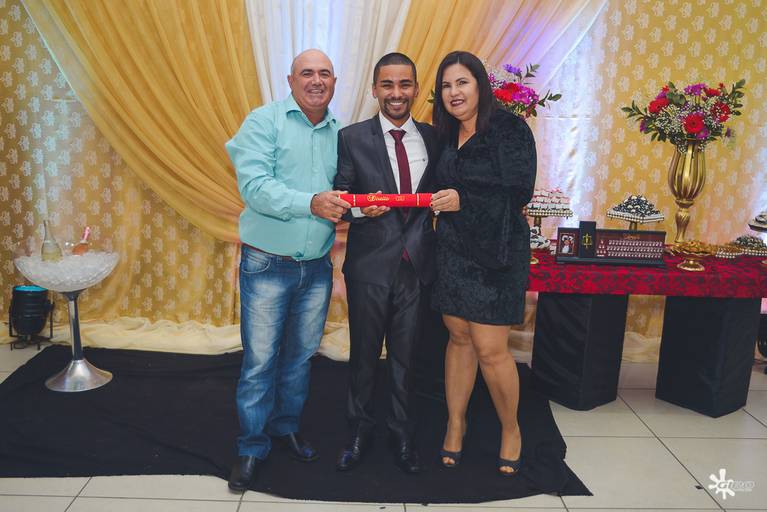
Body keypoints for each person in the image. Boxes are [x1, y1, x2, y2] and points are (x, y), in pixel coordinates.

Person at [224, 49, 350, 491]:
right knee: (260, 362)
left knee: (299, 359)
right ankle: (251, 445)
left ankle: (285, 427)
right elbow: (255, 188)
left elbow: (343, 194)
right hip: (266, 265)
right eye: (307, 73)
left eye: (324, 74)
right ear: (290, 80)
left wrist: (363, 207)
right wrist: (311, 203)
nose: (316, 80)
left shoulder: (342, 133)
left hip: (317, 267)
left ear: (334, 82)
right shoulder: (263, 122)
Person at [429, 51, 536, 476]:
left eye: (462, 83)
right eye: (446, 85)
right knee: (458, 337)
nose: (453, 92)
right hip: (453, 250)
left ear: (480, 85)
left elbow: (519, 191)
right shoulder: (444, 134)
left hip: (498, 252)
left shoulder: (509, 128)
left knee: (491, 349)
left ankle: (511, 429)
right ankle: (455, 423)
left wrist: (464, 199)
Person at [333, 53, 440, 474]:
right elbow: (340, 198)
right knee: (363, 356)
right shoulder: (352, 138)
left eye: (405, 84)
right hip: (369, 267)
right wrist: (362, 209)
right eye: (388, 85)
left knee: (407, 359)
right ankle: (358, 431)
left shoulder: (434, 138)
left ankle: (402, 434)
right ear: (374, 89)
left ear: (416, 88)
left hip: (417, 266)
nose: (397, 93)